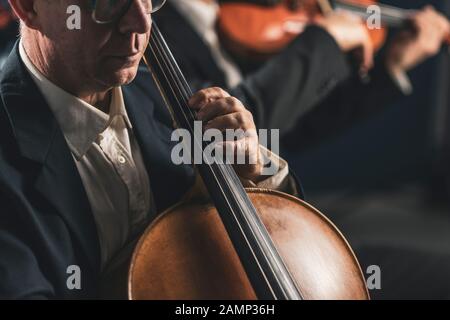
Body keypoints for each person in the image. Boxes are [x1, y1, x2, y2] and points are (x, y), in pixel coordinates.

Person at [0, 0, 298, 299]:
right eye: (109, 4)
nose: (142, 24)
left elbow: (298, 237)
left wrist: (255, 175)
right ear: (28, 7)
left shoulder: (165, 93)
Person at [155, 0, 450, 145]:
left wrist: (390, 67)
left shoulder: (235, 18)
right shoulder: (148, 29)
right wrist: (326, 40)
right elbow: (221, 132)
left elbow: (287, 132)